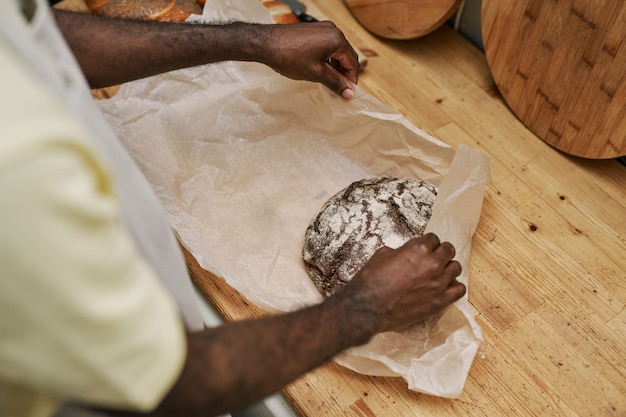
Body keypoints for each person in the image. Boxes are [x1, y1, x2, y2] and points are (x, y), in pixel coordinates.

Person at [0, 1, 467, 416]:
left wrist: (255, 39)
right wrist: (367, 305)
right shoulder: (19, 165)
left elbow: (39, 35)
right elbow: (173, 386)